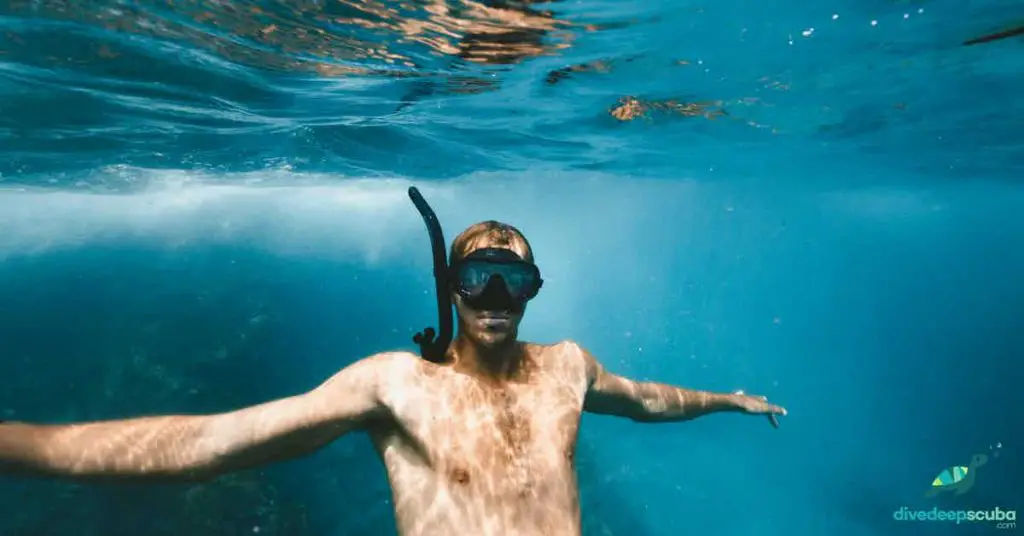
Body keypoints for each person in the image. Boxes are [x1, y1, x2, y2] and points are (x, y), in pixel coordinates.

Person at [0, 220, 787, 536]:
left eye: (515, 281)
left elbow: (646, 400)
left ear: (536, 290)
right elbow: (210, 443)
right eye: (478, 278)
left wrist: (726, 400)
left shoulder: (567, 367)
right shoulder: (396, 385)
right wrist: (21, 445)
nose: (496, 299)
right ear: (450, 287)